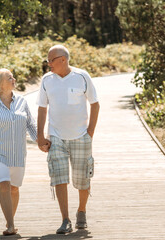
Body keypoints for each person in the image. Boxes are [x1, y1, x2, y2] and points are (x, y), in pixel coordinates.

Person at [0, 68, 49, 236]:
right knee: (4, 185)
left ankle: (9, 221)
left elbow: (30, 124)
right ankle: (11, 225)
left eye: (12, 77)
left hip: (17, 153)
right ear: (0, 84)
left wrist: (40, 141)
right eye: (10, 78)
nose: (13, 79)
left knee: (14, 189)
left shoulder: (22, 101)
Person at [36, 45, 100, 234]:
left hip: (81, 137)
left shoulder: (82, 77)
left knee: (82, 179)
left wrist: (90, 133)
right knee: (59, 177)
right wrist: (40, 136)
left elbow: (95, 104)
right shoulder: (47, 80)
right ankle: (65, 219)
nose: (48, 64)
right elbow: (42, 108)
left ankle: (81, 211)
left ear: (63, 60)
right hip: (56, 137)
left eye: (51, 60)